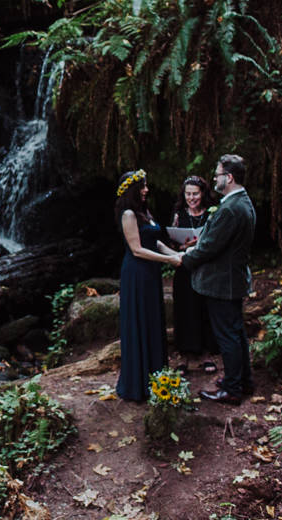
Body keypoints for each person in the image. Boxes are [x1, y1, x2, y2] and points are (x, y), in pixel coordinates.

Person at [158, 154, 256, 405]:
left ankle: (233, 388)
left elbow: (210, 247)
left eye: (218, 174)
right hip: (233, 279)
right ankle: (243, 381)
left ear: (229, 177)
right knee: (236, 333)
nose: (215, 178)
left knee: (228, 336)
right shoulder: (242, 202)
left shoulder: (231, 209)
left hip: (224, 283)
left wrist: (183, 258)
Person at [114, 169, 184, 403]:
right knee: (140, 321)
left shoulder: (144, 212)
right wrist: (169, 261)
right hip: (136, 275)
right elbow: (137, 249)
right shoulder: (128, 215)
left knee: (153, 320)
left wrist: (177, 255)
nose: (146, 189)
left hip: (151, 274)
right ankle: (138, 384)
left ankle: (156, 376)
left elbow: (155, 242)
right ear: (132, 190)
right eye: (142, 186)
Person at [169, 175, 219, 375]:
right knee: (184, 309)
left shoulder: (211, 214)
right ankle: (185, 356)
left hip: (205, 268)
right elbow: (171, 242)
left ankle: (206, 355)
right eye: (188, 194)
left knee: (204, 308)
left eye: (195, 194)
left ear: (203, 193)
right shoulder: (178, 214)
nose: (191, 198)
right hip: (184, 268)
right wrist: (180, 245)